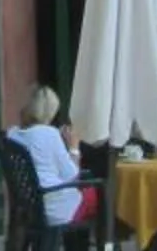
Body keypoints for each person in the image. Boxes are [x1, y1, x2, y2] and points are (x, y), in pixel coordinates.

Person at [6, 86, 92, 228]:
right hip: (54, 206)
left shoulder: (13, 134)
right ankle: (104, 249)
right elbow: (71, 175)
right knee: (100, 196)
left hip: (29, 205)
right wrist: (74, 146)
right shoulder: (50, 134)